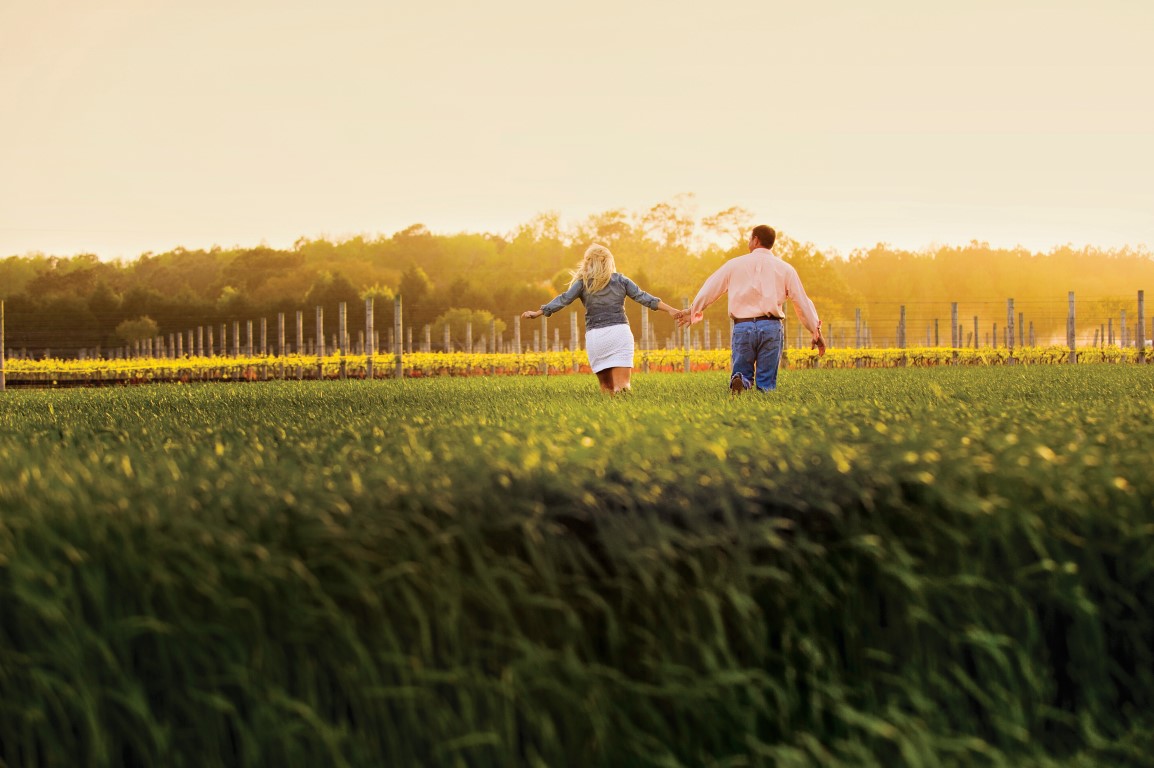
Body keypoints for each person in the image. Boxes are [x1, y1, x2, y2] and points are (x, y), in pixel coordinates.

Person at [676, 225, 825, 393]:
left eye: (749, 239)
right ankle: (764, 394)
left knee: (743, 371)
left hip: (743, 326)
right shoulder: (785, 269)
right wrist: (815, 330)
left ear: (756, 240)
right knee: (766, 381)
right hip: (771, 327)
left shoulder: (734, 265)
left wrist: (694, 310)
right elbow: (802, 301)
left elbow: (710, 288)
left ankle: (741, 380)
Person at [522, 244, 682, 393]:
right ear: (609, 261)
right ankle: (629, 421)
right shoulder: (621, 280)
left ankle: (607, 422)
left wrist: (539, 312)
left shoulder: (582, 283)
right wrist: (672, 310)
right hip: (620, 333)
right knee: (623, 387)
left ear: (588, 262)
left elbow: (563, 299)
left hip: (596, 337)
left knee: (607, 389)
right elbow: (645, 298)